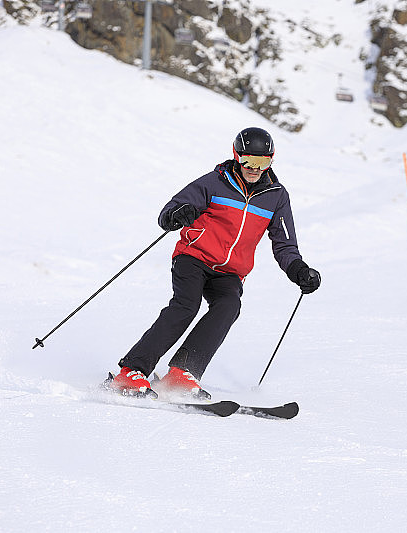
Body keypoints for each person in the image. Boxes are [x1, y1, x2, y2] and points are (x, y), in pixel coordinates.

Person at [107, 127, 321, 400]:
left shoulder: (276, 196)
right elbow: (170, 210)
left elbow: (284, 244)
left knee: (229, 306)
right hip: (194, 257)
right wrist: (177, 215)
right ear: (236, 156)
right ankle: (132, 370)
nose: (254, 168)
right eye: (248, 161)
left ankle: (182, 372)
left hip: (230, 271)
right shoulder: (214, 182)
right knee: (186, 306)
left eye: (262, 162)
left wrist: (298, 270)